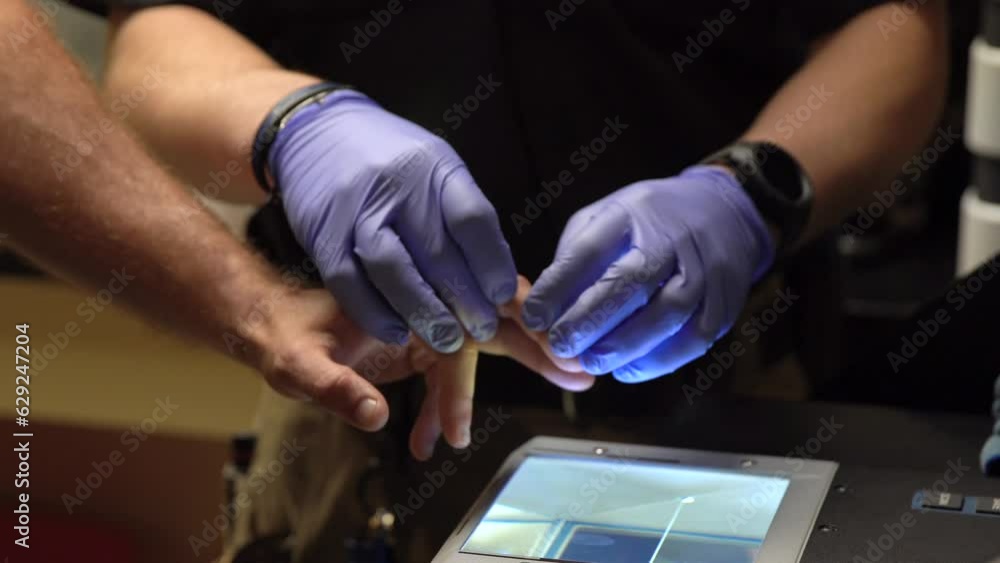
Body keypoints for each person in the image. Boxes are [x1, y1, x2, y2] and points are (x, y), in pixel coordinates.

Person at [86, 0, 950, 560]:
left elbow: (895, 20)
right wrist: (296, 124)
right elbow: (154, 31)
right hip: (353, 404)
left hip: (746, 396)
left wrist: (753, 190)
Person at [0, 0, 581, 461]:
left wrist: (680, 197)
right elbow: (155, 35)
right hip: (367, 402)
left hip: (665, 401)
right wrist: (299, 122)